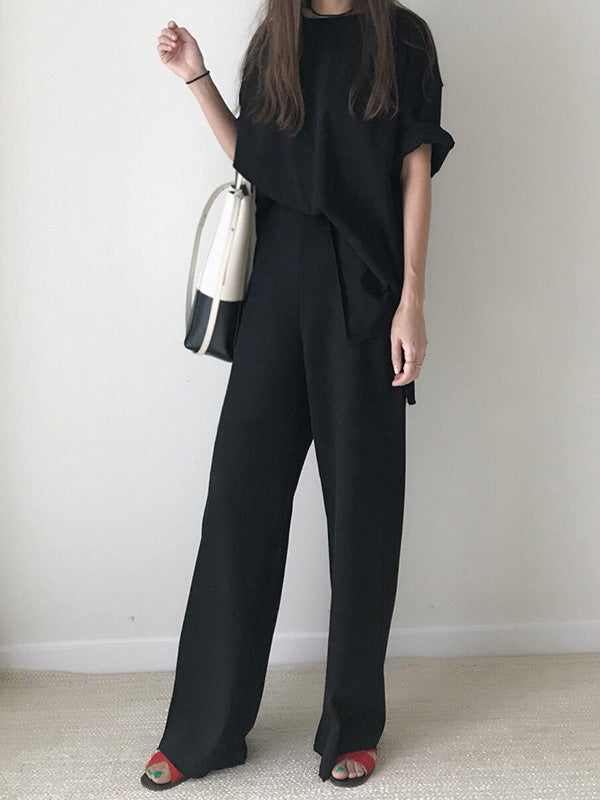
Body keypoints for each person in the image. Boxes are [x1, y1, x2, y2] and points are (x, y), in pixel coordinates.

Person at [142, 0, 455, 789]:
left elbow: (415, 170)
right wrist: (197, 79)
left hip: (365, 296)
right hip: (275, 295)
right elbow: (257, 158)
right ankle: (205, 730)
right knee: (237, 508)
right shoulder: (275, 40)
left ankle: (352, 725)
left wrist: (412, 300)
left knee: (362, 519)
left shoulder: (403, 38)